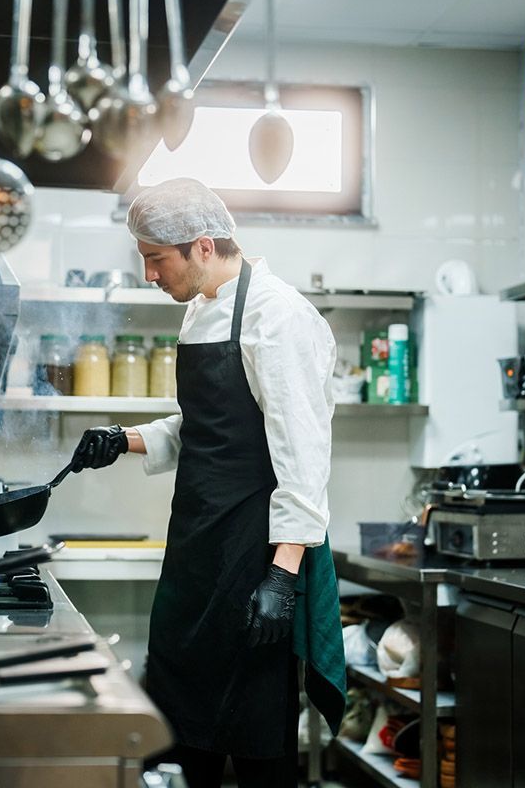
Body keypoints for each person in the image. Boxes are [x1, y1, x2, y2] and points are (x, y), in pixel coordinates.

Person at [69, 178, 346, 788]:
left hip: (255, 557)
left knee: (255, 738)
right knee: (176, 726)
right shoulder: (200, 310)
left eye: (155, 259)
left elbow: (303, 454)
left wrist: (284, 572)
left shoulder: (279, 316)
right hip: (195, 549)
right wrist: (124, 439)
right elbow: (211, 427)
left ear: (200, 246)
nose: (149, 275)